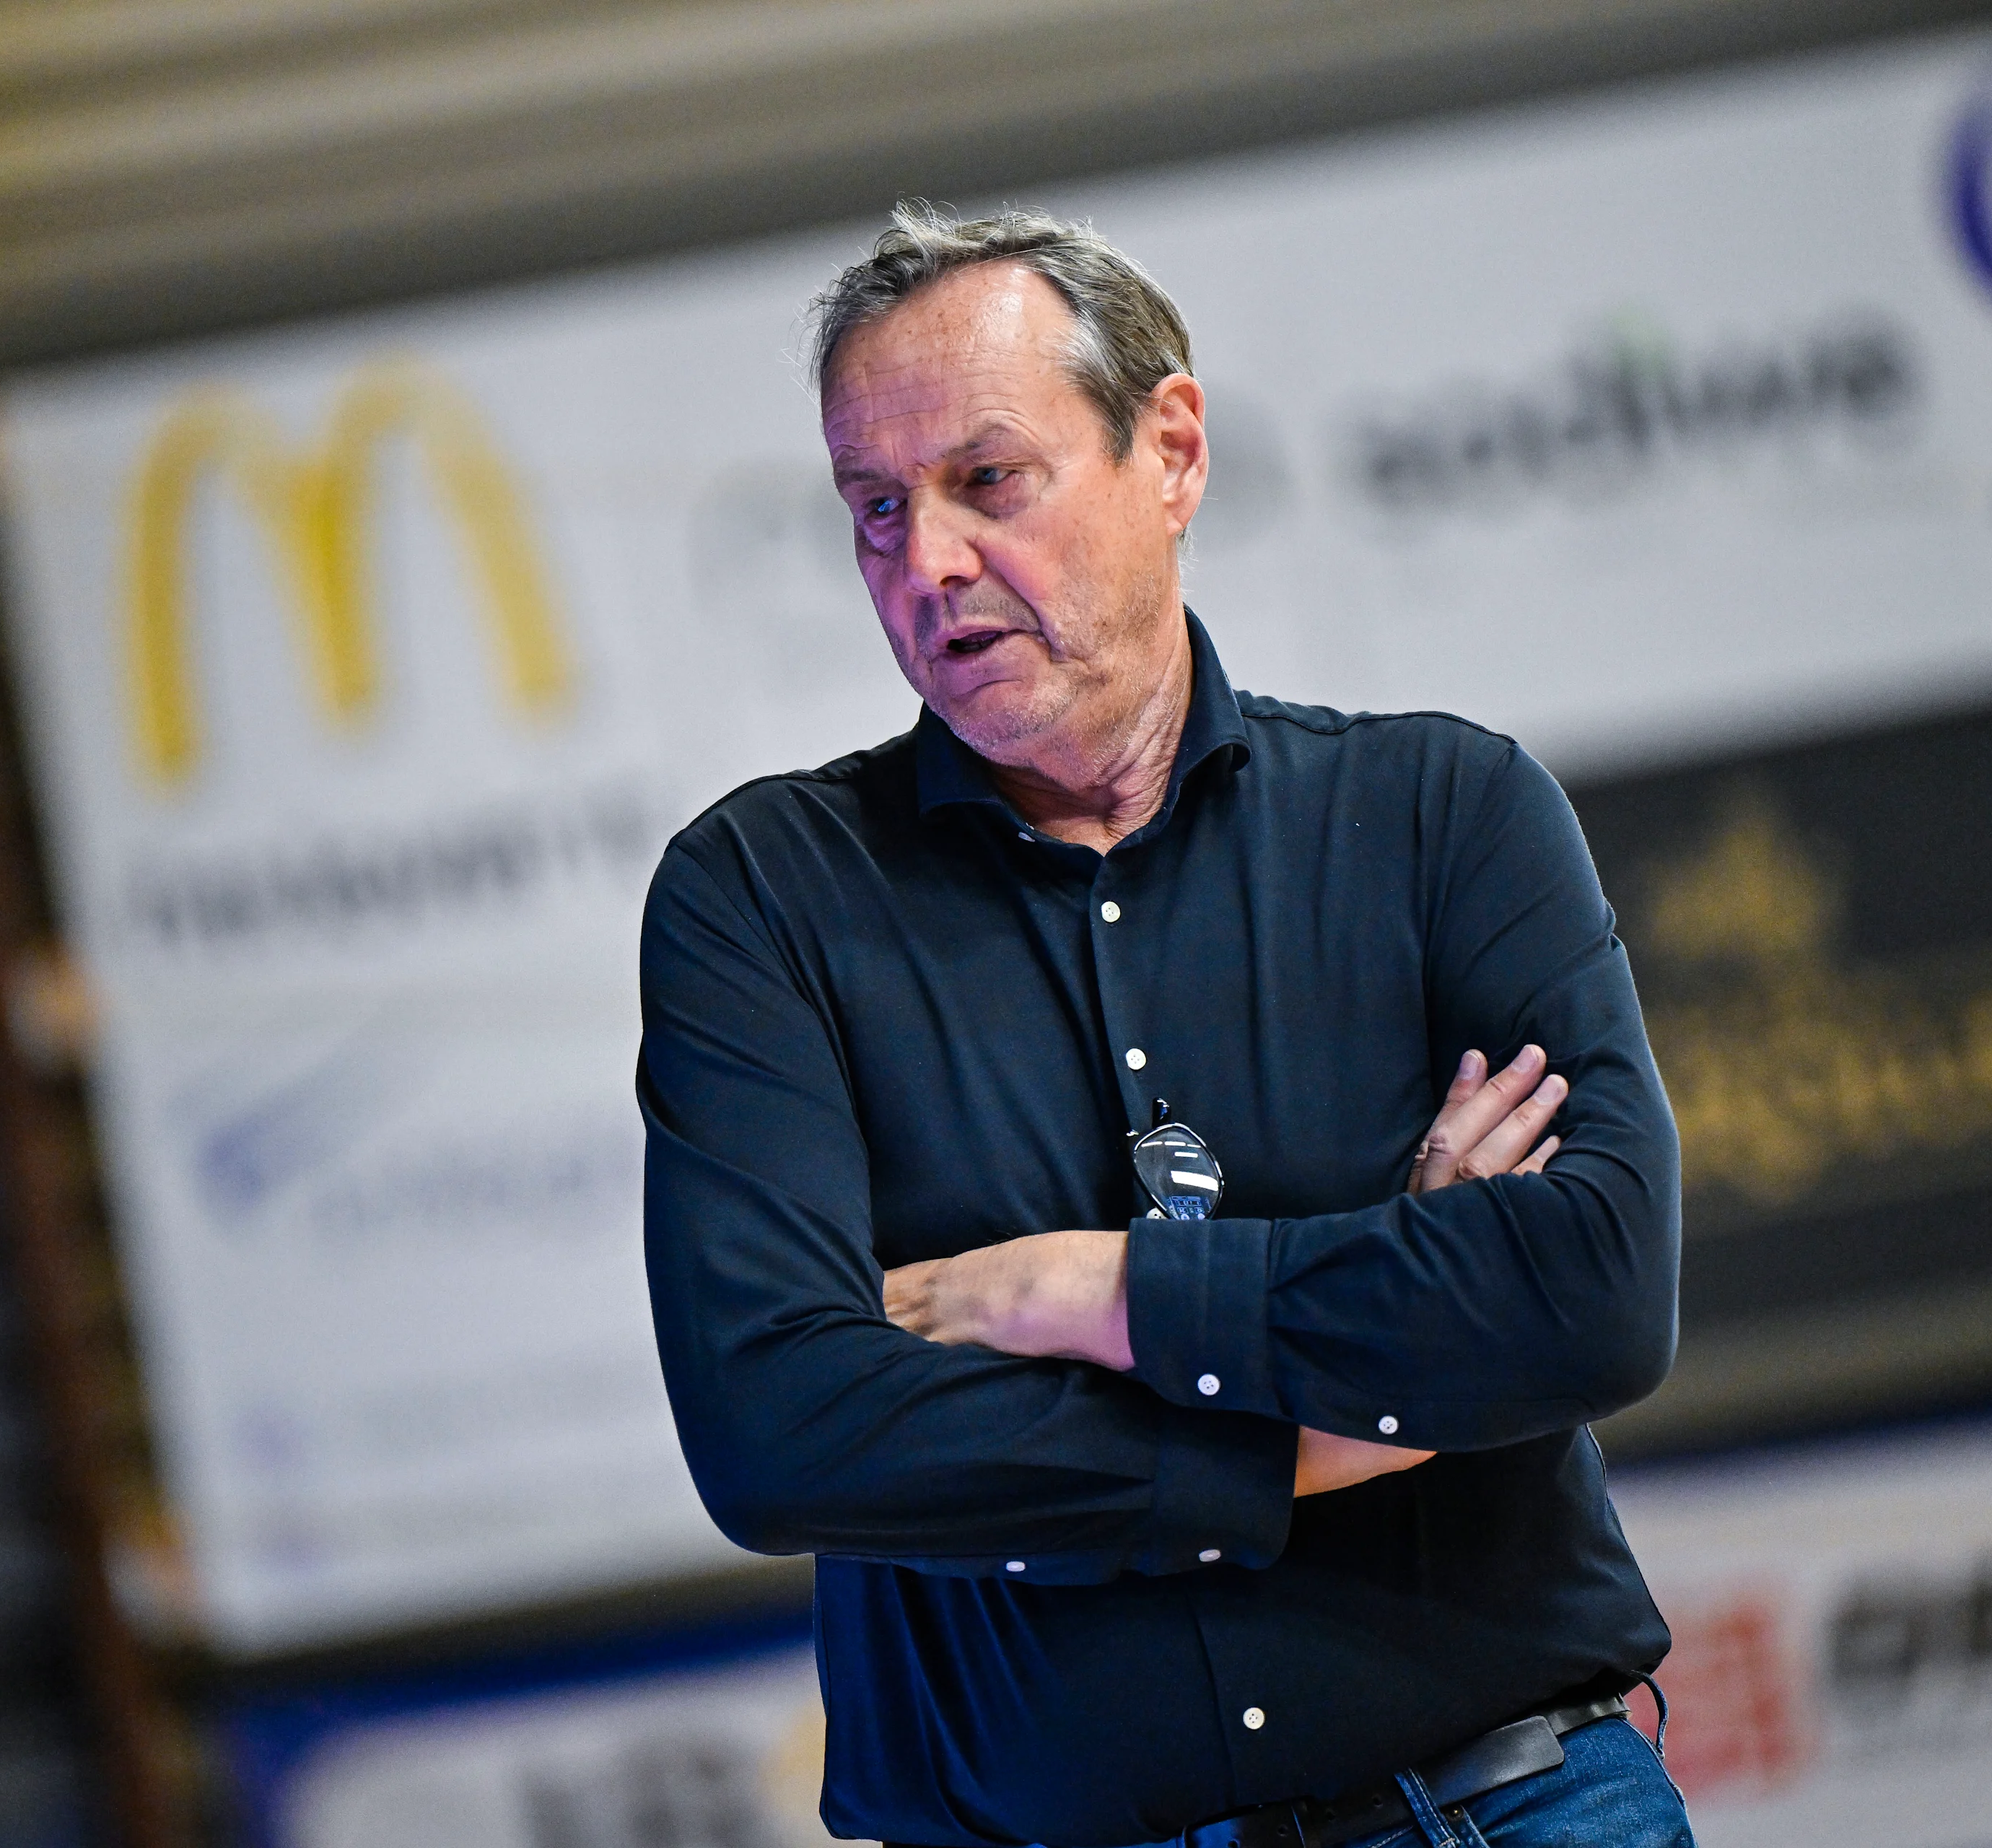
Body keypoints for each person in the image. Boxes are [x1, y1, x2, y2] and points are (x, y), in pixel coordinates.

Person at [638, 204, 1690, 1848]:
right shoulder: (762, 900)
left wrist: (1094, 1291)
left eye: (988, 481)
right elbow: (783, 1429)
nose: (925, 562)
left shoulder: (1444, 813)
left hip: (1520, 1804)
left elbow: (1594, 1293)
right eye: (873, 508)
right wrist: (1336, 1412)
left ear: (1173, 449)